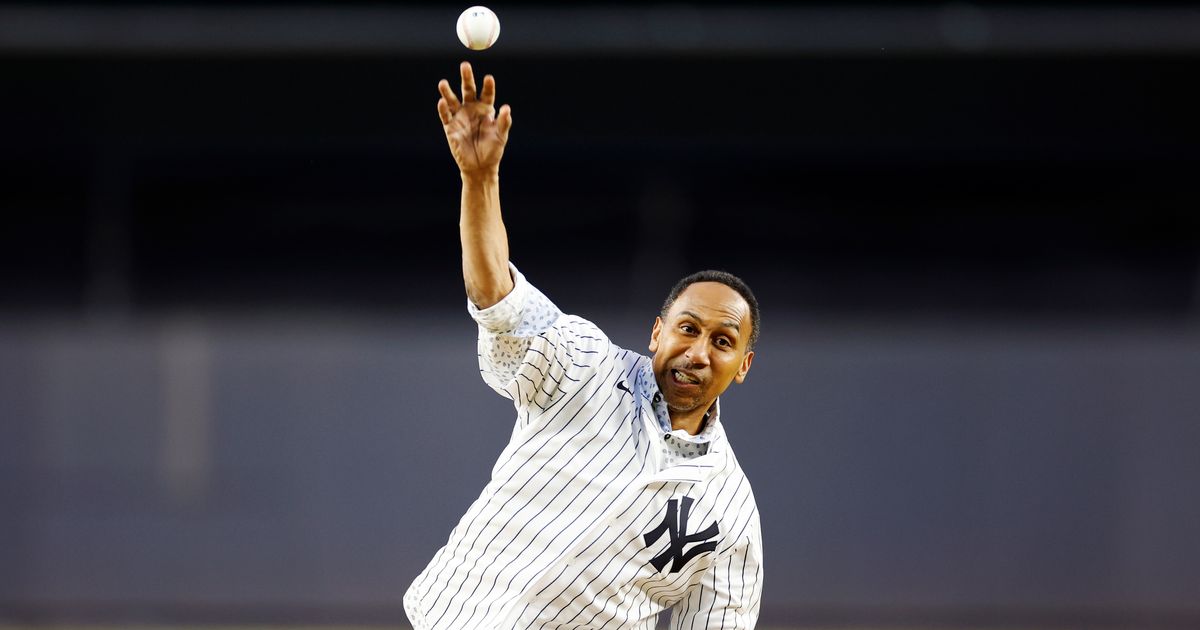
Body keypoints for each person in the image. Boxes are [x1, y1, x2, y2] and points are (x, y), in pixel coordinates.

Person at [404, 61, 763, 630]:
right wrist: (480, 181)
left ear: (742, 366)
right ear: (657, 332)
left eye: (722, 341)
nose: (698, 351)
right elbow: (497, 296)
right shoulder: (585, 365)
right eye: (688, 328)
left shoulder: (731, 510)